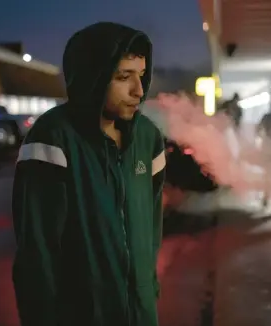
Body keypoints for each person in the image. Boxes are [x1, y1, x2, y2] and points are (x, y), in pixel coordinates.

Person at [12, 22, 165, 326]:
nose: (138, 90)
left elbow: (153, 229)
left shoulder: (148, 138)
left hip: (141, 315)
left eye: (142, 76)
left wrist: (148, 293)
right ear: (92, 78)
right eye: (124, 77)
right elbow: (37, 253)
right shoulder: (52, 137)